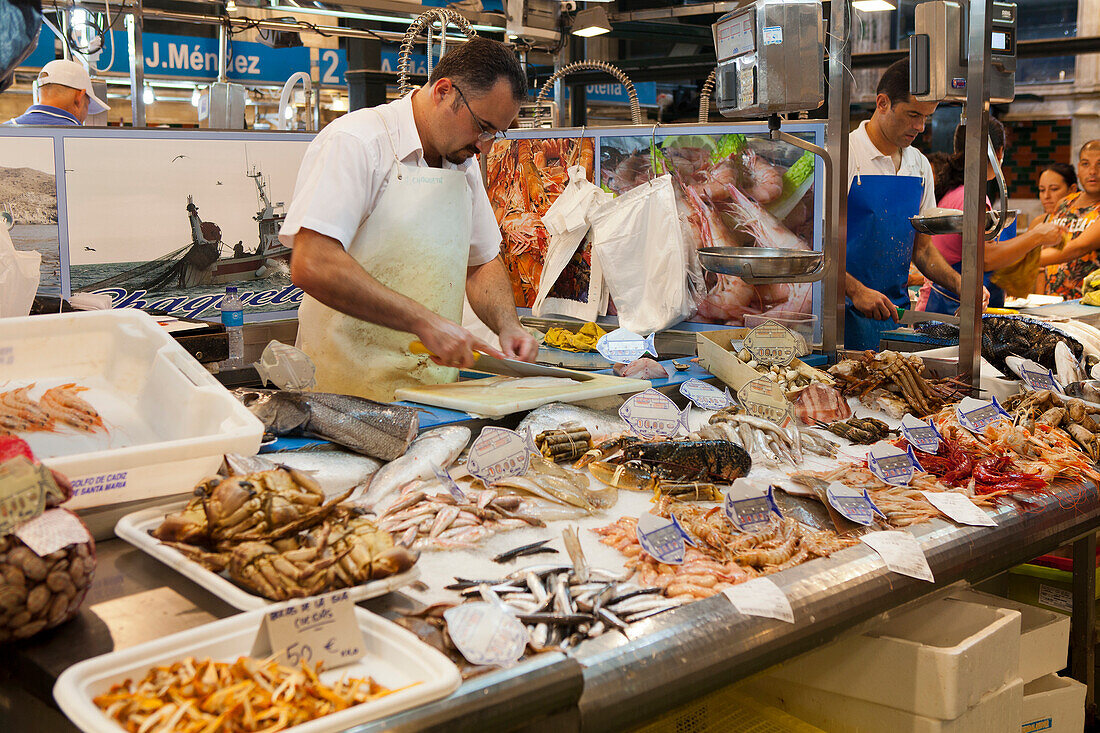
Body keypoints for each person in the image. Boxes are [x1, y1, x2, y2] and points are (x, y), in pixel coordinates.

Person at [282, 37, 538, 402]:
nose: (485, 145)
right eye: (482, 126)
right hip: (342, 393)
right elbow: (312, 263)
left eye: (496, 133)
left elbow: (480, 262)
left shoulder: (462, 165)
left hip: (434, 394)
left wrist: (508, 326)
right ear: (444, 92)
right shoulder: (357, 142)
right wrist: (423, 321)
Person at [844, 58, 983, 350]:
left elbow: (922, 250)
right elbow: (814, 246)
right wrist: (856, 291)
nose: (920, 126)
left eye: (926, 117)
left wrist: (961, 284)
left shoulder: (918, 164)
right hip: (840, 315)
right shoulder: (844, 155)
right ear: (882, 103)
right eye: (912, 115)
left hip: (894, 315)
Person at [916, 118, 1064, 314]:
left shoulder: (954, 191)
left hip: (940, 305)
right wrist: (1038, 236)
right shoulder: (970, 196)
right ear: (999, 153)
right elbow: (985, 257)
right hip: (950, 307)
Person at [1039, 141, 1100, 299]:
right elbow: (1046, 246)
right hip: (1052, 302)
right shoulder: (1065, 203)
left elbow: (1078, 247)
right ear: (1078, 169)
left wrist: (1017, 258)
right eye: (1086, 164)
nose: (1093, 171)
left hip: (1088, 307)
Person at [6, 59, 108, 126]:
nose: (85, 117)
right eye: (87, 104)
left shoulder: (5, 131)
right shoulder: (87, 142)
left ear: (38, 96)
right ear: (79, 98)